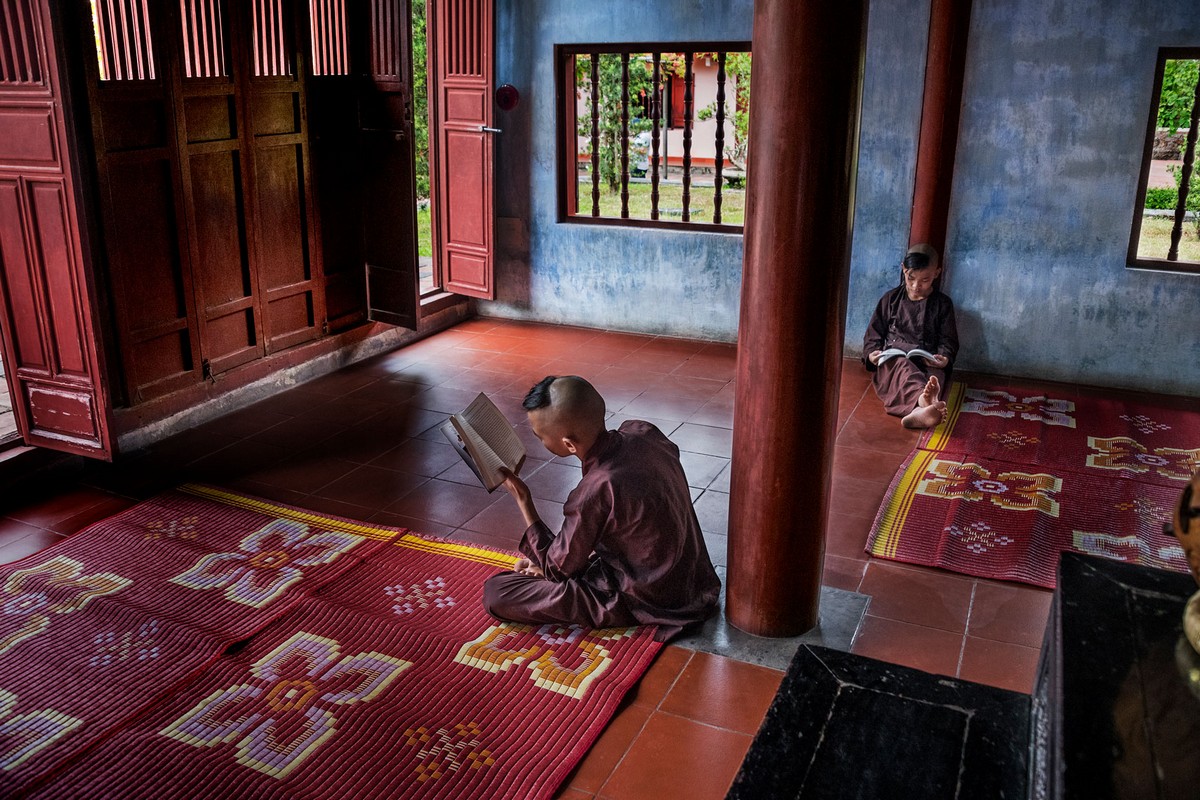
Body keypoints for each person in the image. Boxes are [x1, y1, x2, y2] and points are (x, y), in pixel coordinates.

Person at [482, 375, 721, 641]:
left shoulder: (596, 489)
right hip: (694, 580)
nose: (538, 441)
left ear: (569, 444)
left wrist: (523, 500)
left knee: (497, 591)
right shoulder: (644, 431)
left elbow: (556, 569)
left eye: (539, 437)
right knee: (559, 566)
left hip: (645, 597)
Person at [862, 243, 960, 429]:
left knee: (933, 380)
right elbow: (873, 335)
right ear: (904, 270)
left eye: (925, 279)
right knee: (905, 370)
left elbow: (949, 340)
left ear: (937, 273)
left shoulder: (943, 304)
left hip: (927, 360)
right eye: (911, 278)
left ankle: (919, 410)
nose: (916, 286)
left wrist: (944, 359)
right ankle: (924, 402)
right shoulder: (890, 299)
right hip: (895, 359)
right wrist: (872, 354)